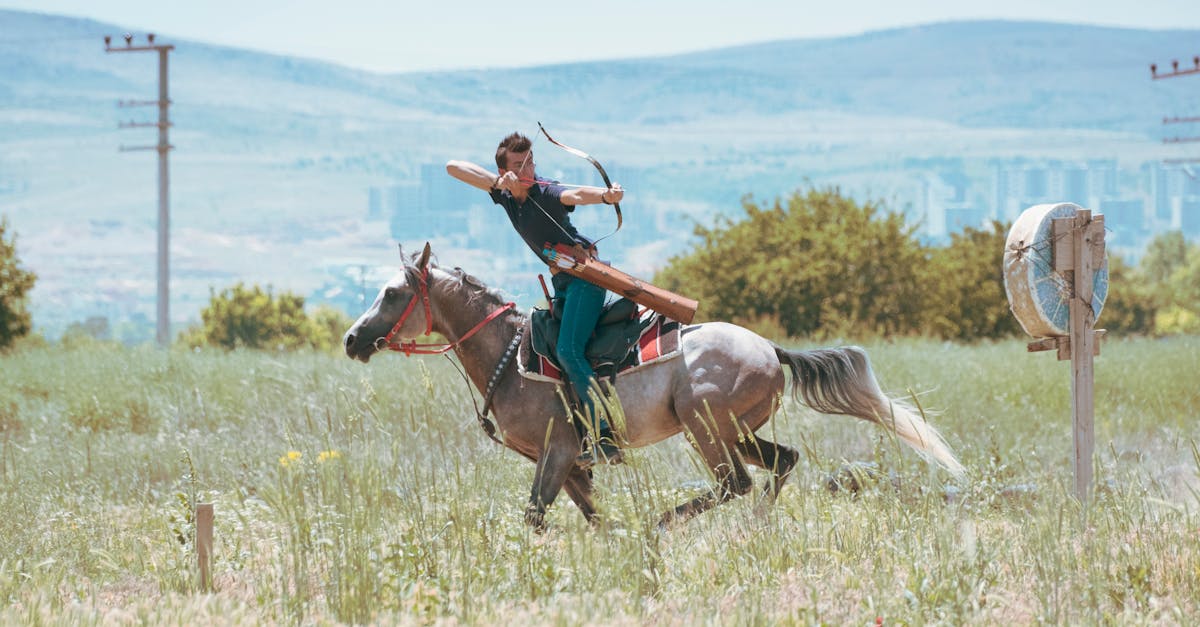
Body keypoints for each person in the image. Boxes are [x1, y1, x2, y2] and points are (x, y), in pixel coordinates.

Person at [446, 132, 625, 467]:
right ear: (505, 169)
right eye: (519, 163)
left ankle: (604, 434)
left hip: (585, 279)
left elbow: (575, 194)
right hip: (564, 285)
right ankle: (573, 427)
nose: (527, 168)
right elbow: (453, 167)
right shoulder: (507, 196)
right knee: (554, 348)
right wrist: (501, 182)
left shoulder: (545, 191)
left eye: (530, 160)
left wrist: (605, 195)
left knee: (570, 350)